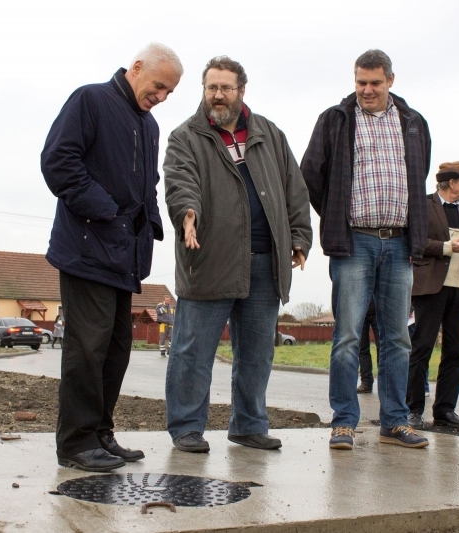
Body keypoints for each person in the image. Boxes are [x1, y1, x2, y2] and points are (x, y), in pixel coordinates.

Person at [41, 43, 183, 471]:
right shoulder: (90, 100)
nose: (161, 97)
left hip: (126, 256)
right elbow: (58, 162)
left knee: (117, 349)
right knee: (87, 348)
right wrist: (105, 210)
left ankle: (101, 434)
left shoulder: (150, 126)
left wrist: (153, 223)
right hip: (87, 249)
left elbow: (149, 185)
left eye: (169, 93)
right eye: (158, 86)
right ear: (136, 68)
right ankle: (76, 442)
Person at [163, 56, 312, 453]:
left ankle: (249, 425)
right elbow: (180, 182)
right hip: (209, 258)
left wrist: (299, 237)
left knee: (257, 353)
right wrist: (187, 214)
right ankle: (186, 428)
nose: (217, 94)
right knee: (192, 352)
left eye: (225, 87)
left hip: (266, 261)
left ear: (241, 91)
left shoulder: (270, 133)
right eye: (211, 87)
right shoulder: (186, 136)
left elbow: (294, 189)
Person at [301, 49, 430, 450]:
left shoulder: (413, 123)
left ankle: (394, 421)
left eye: (375, 83)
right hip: (353, 242)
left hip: (399, 242)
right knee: (347, 336)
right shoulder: (336, 120)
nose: (367, 90)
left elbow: (419, 175)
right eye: (361, 82)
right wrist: (337, 214)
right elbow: (310, 175)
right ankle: (344, 422)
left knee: (397, 338)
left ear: (391, 80)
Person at [406, 162, 459, 430]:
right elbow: (414, 243)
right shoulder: (423, 205)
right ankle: (413, 410)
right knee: (421, 349)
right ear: (451, 183)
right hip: (430, 288)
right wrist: (446, 247)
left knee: (454, 352)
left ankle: (446, 410)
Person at [357, 300, 379, 393]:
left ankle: (385, 382)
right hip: (360, 310)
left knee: (383, 349)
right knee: (362, 349)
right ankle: (366, 382)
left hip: (379, 309)